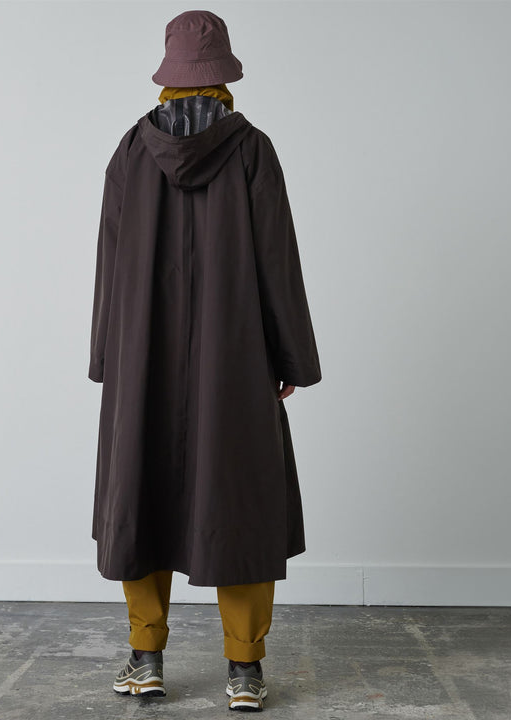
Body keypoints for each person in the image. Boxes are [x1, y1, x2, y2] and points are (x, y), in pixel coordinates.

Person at [88, 9, 321, 712]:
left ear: (168, 74)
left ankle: (145, 657)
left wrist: (107, 356)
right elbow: (277, 258)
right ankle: (244, 669)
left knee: (141, 495)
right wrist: (290, 356)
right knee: (239, 500)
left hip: (142, 357)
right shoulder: (252, 149)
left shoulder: (131, 151)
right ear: (224, 74)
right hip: (236, 356)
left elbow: (110, 261)